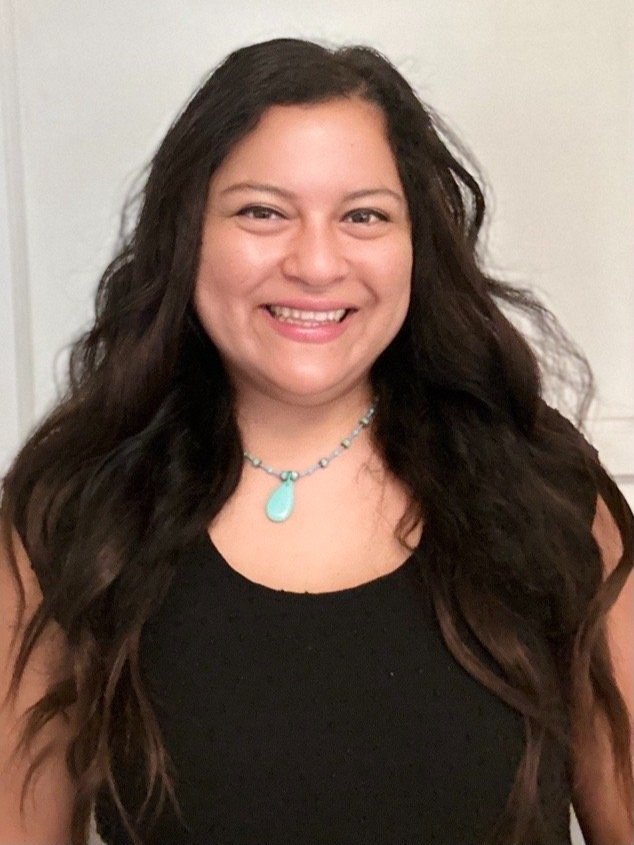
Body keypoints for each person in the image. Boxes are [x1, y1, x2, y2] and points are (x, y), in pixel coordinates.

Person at [0, 37, 632, 845]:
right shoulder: (74, 514)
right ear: (188, 232)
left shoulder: (545, 492)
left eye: (363, 215)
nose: (317, 262)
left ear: (417, 244)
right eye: (262, 211)